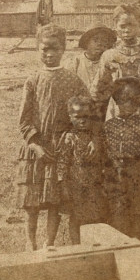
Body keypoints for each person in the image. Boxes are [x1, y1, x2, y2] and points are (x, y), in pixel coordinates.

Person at [16, 24, 89, 251]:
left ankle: (49, 242)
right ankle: (31, 242)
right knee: (32, 200)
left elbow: (85, 113)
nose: (49, 54)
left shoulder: (73, 80)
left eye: (55, 49)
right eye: (44, 49)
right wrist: (35, 145)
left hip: (61, 149)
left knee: (54, 201)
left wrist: (71, 138)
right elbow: (24, 119)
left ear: (63, 49)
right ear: (37, 49)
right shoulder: (33, 80)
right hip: (37, 148)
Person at [92, 5, 140, 121]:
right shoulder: (109, 55)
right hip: (117, 107)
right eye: (123, 26)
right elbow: (99, 85)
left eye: (132, 25)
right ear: (116, 27)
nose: (127, 30)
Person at [101, 77, 140, 239]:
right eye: (124, 100)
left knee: (137, 206)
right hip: (115, 172)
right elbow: (104, 150)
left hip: (137, 170)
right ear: (117, 101)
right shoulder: (109, 125)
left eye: (134, 101)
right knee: (118, 207)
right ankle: (120, 241)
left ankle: (138, 242)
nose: (129, 105)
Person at [57, 96, 108, 244]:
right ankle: (76, 245)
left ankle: (95, 244)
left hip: (95, 183)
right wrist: (63, 183)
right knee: (76, 216)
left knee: (96, 214)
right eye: (78, 117)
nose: (83, 121)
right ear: (70, 117)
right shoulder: (69, 137)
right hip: (76, 185)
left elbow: (105, 158)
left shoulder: (97, 137)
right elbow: (63, 162)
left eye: (86, 117)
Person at [65, 25, 117, 91]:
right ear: (86, 42)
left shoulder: (111, 64)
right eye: (96, 40)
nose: (100, 43)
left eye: (104, 40)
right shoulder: (74, 63)